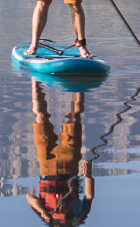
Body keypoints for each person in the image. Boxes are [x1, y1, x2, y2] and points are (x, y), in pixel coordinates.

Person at [26, 80, 95, 226]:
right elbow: (88, 197)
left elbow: (29, 198)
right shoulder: (77, 220)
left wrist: (43, 211)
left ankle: (34, 80)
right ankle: (79, 83)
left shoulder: (49, 221)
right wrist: (88, 175)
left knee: (40, 117)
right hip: (69, 164)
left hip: (46, 165)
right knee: (75, 117)